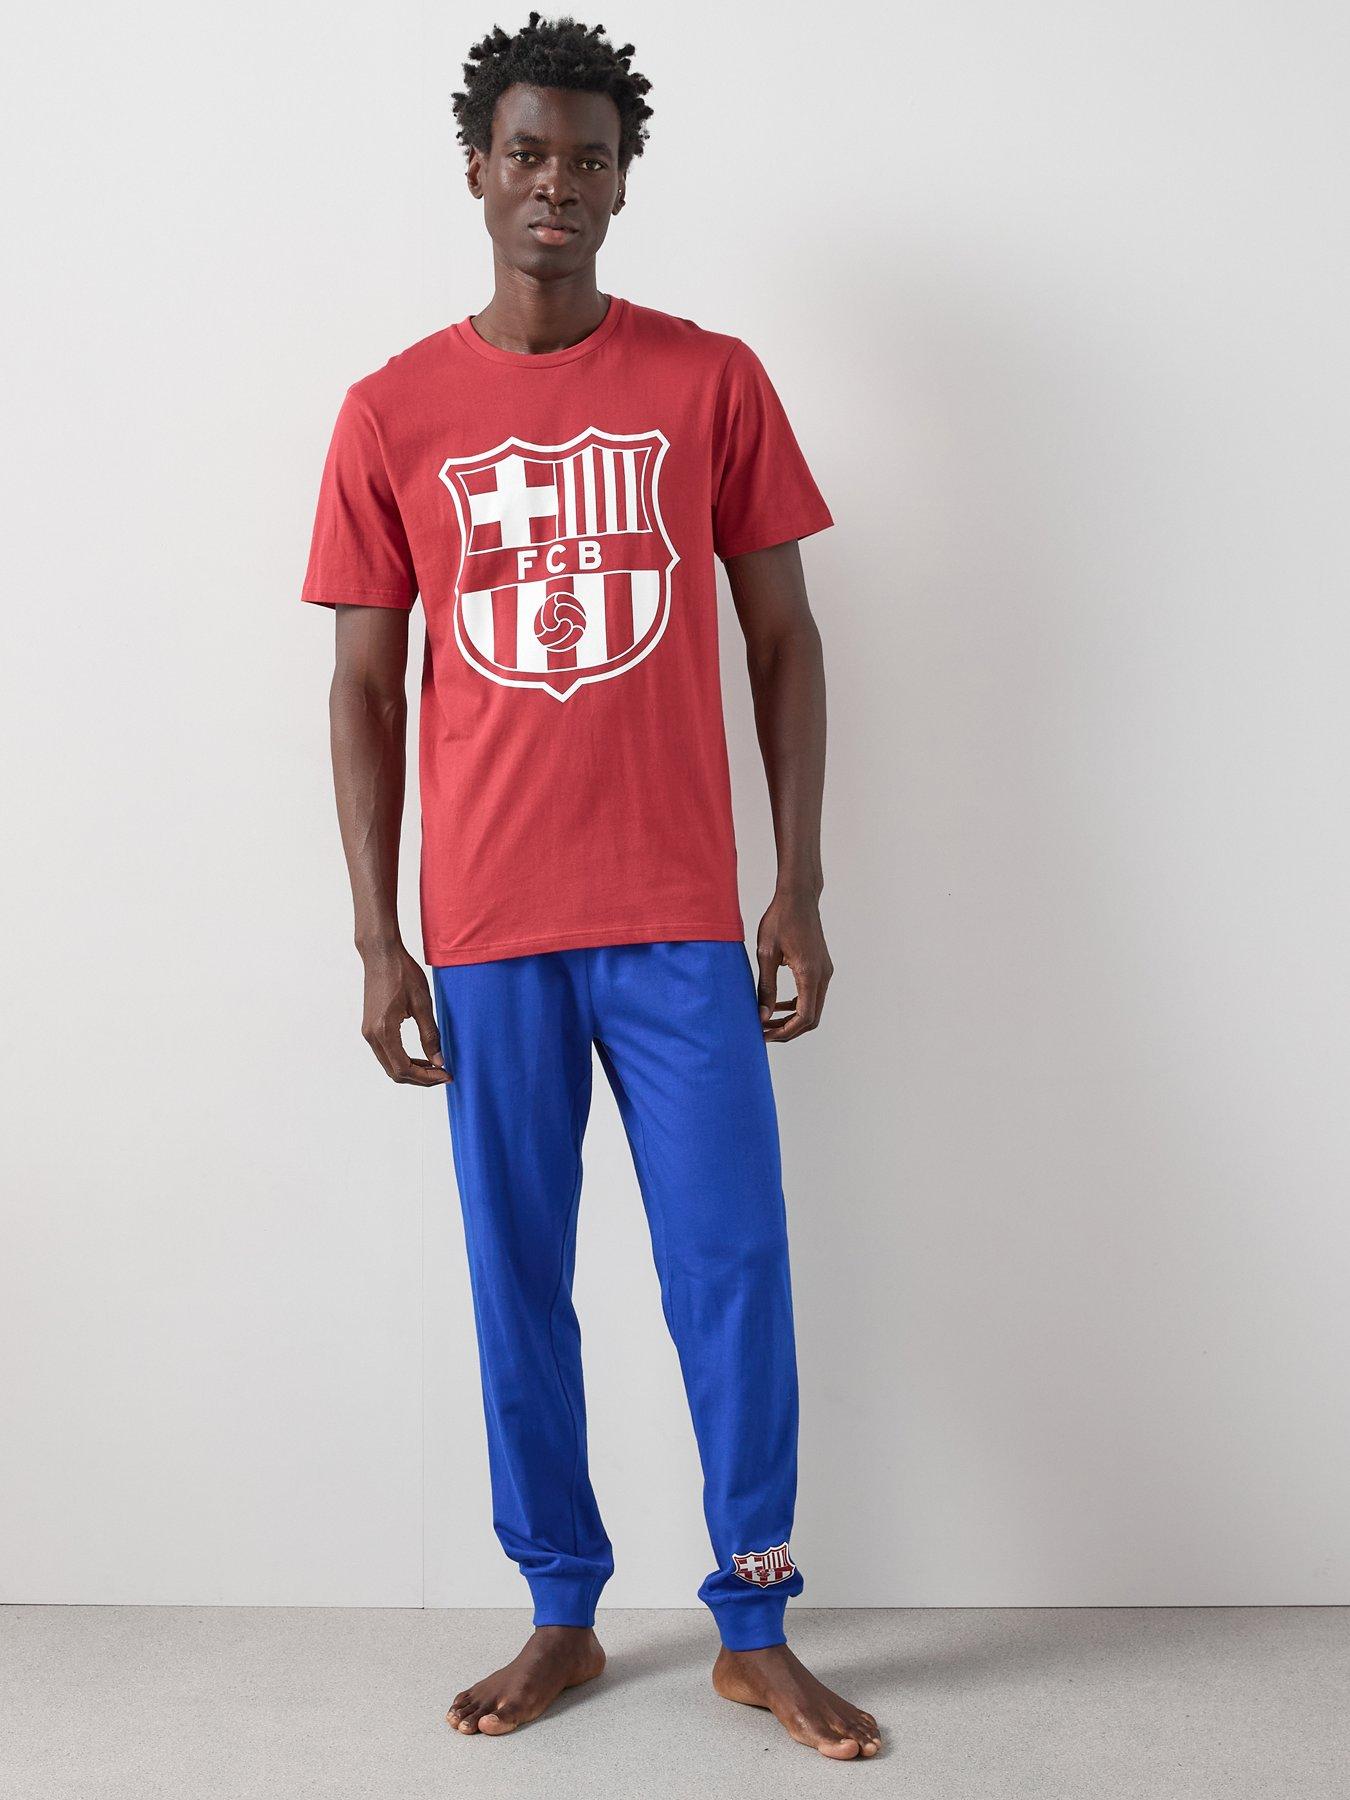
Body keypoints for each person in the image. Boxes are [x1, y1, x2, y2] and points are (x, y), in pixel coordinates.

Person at [300, 10, 879, 1762]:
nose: (556, 183)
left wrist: (799, 884)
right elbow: (362, 689)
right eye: (528, 154)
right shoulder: (390, 411)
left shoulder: (710, 381)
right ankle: (560, 1609)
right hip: (488, 927)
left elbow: (782, 640)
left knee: (730, 1265)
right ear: (476, 170)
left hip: (680, 917)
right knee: (518, 1277)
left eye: (590, 159)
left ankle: (752, 1622)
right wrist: (377, 936)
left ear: (624, 185)